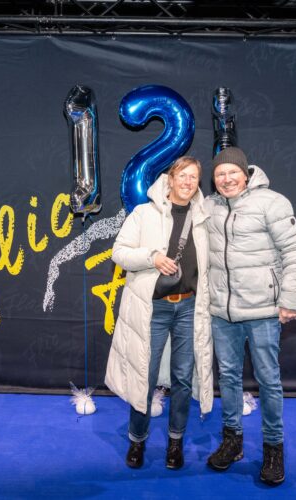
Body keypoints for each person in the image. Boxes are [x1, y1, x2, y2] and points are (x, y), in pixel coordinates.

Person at [204, 147, 296, 485]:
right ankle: (232, 441)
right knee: (228, 378)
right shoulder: (209, 207)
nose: (226, 179)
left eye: (232, 172)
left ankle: (273, 449)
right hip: (222, 312)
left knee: (268, 380)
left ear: (246, 174)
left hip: (263, 310)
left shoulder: (272, 203)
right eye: (220, 174)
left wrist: (289, 299)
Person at [105, 156, 214, 470]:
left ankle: (175, 442)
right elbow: (119, 252)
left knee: (183, 378)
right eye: (182, 176)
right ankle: (137, 441)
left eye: (193, 177)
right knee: (145, 376)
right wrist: (151, 257)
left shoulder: (204, 217)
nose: (187, 182)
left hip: (190, 307)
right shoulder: (144, 213)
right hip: (154, 307)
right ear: (170, 179)